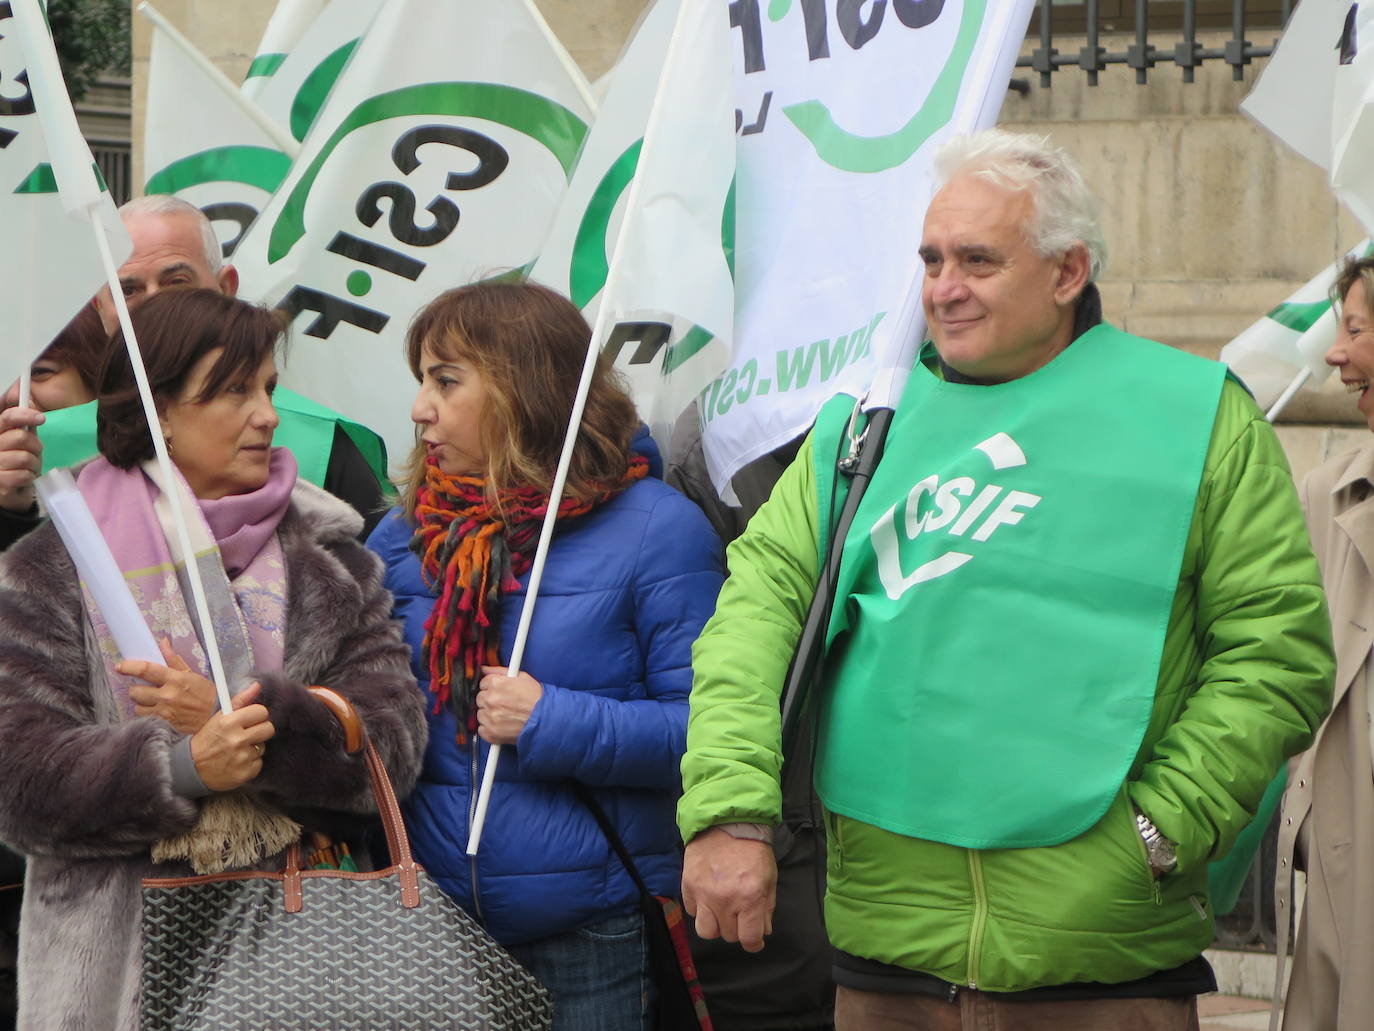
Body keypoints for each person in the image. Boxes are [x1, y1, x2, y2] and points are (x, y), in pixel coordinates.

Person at [677, 128, 1334, 1031]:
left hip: (1102, 966)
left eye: (977, 260)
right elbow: (751, 621)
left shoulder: (1199, 416)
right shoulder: (862, 425)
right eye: (931, 259)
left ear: (1068, 272)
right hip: (887, 964)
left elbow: (1277, 653)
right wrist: (729, 810)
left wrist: (1160, 830)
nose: (942, 287)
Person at [0, 288, 427, 1031]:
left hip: (305, 967)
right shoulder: (54, 563)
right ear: (160, 410)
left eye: (268, 388)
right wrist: (183, 766)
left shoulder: (334, 561)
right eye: (234, 392)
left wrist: (254, 730)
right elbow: (17, 780)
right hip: (111, 979)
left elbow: (394, 745)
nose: (267, 414)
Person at [367, 281, 724, 1031]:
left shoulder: (659, 530)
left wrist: (549, 720)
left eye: (446, 381)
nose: (420, 408)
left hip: (588, 932)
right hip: (430, 930)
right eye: (421, 381)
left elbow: (710, 733)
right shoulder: (403, 538)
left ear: (523, 389)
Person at [0, 195, 391, 538]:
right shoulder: (35, 449)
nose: (154, 306)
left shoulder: (323, 442)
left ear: (226, 288)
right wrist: (10, 511)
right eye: (128, 289)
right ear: (100, 308)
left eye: (176, 282)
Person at [1277, 254, 1374, 1030]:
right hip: (1350, 895)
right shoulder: (1323, 495)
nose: (1336, 354)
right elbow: (1284, 676)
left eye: (1357, 329)